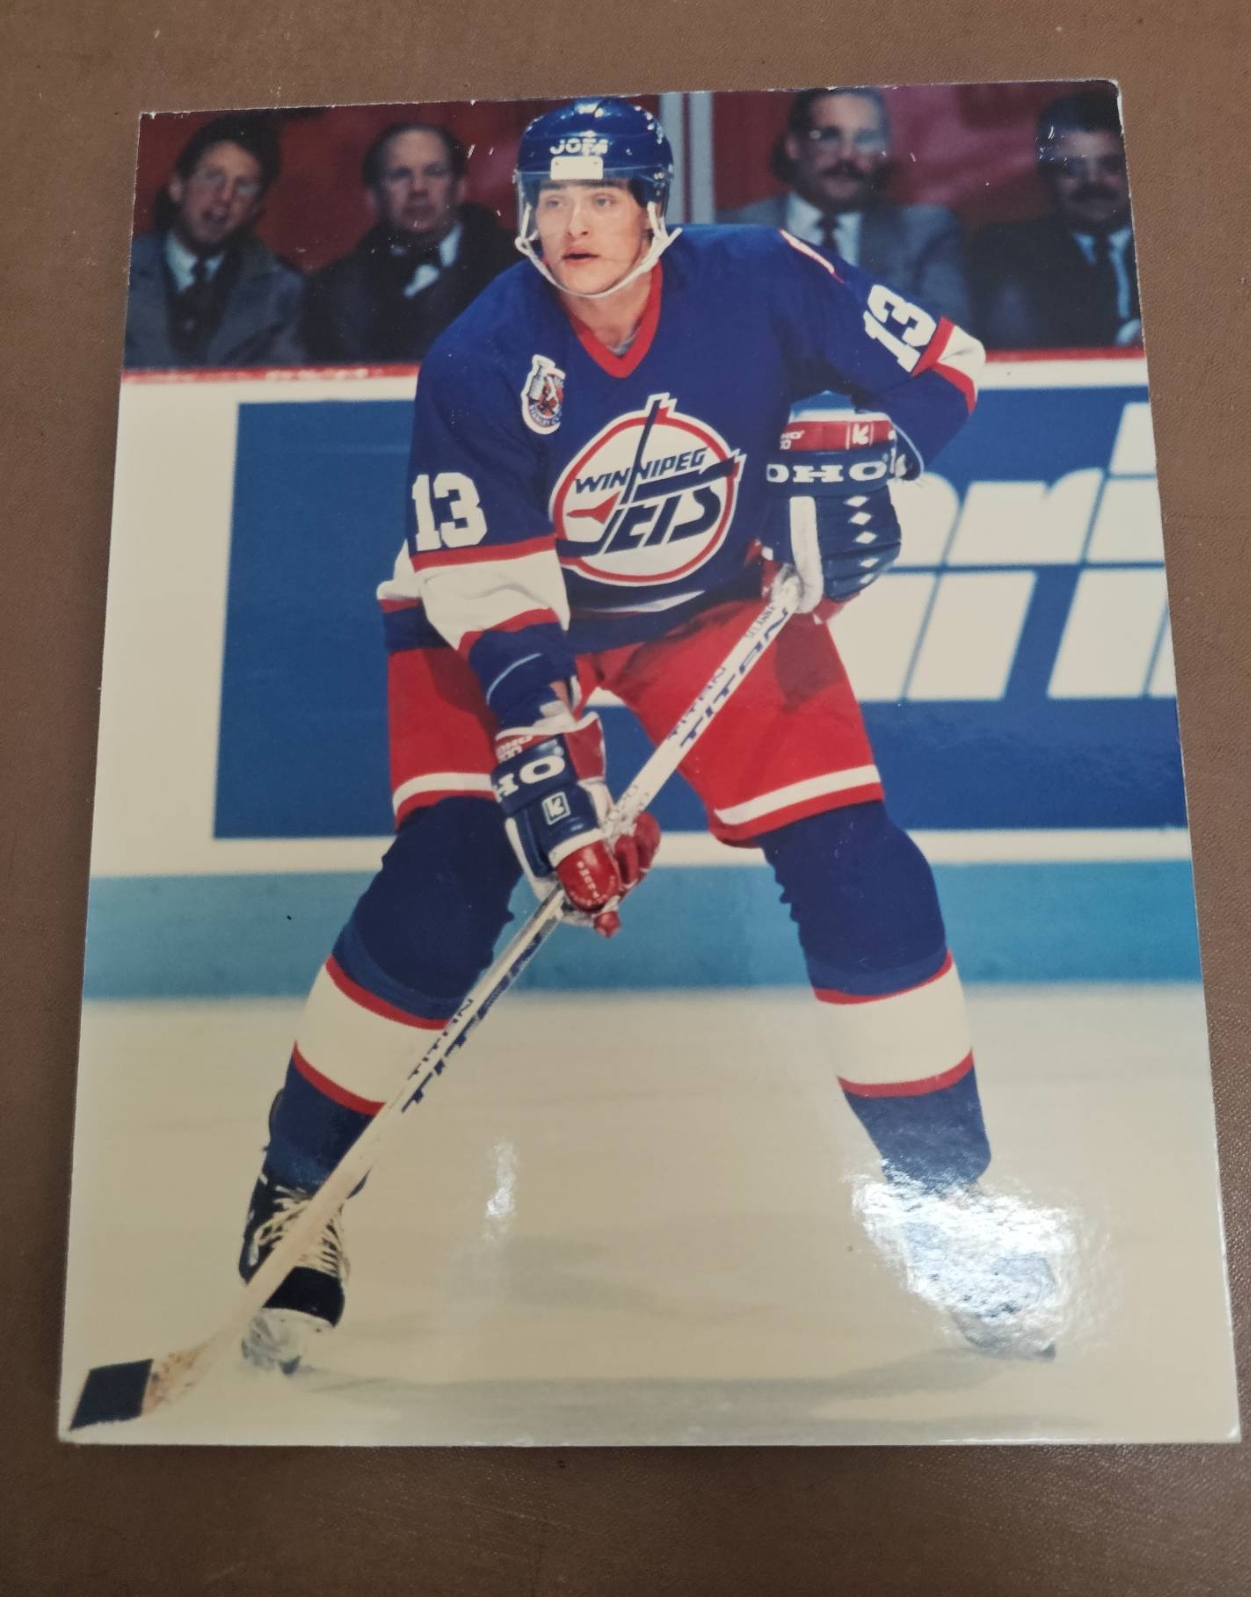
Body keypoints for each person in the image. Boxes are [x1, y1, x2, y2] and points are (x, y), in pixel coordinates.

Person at [237, 97, 1058, 1374]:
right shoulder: (481, 355)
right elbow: (496, 599)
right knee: (452, 876)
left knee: (864, 870)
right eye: (552, 202)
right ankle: (296, 1188)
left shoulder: (760, 274)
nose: (572, 226)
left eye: (601, 200)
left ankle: (951, 1209)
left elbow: (948, 364)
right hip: (500, 619)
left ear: (653, 209)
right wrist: (545, 756)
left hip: (712, 606)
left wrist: (882, 454)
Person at [717, 86, 974, 329]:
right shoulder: (736, 231)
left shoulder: (923, 234)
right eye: (829, 136)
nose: (847, 155)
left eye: (865, 139)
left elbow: (949, 339)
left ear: (883, 152)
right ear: (794, 145)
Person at [303, 122, 519, 364]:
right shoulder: (334, 291)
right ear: (373, 198)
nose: (418, 188)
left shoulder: (516, 269)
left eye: (434, 172)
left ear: (460, 188)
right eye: (400, 175)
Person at [124, 115, 304, 369]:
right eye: (212, 176)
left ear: (255, 209)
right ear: (177, 187)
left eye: (243, 186)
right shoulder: (119, 271)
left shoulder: (283, 291)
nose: (225, 196)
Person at [971, 88, 1141, 349]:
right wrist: (1129, 336)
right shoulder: (1008, 248)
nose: (1092, 181)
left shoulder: (1170, 247)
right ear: (1046, 174)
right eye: (1072, 168)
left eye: (1110, 166)